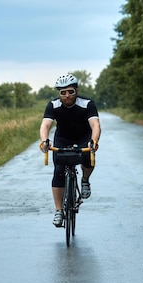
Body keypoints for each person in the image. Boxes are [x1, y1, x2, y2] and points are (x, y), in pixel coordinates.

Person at [39, 74, 101, 227]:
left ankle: (85, 180)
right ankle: (59, 211)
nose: (67, 95)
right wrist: (44, 141)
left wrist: (94, 141)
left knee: (87, 158)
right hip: (63, 138)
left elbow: (95, 125)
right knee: (59, 171)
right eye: (63, 92)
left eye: (70, 92)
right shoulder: (53, 105)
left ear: (76, 90)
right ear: (59, 93)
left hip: (83, 137)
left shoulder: (87, 104)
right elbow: (45, 125)